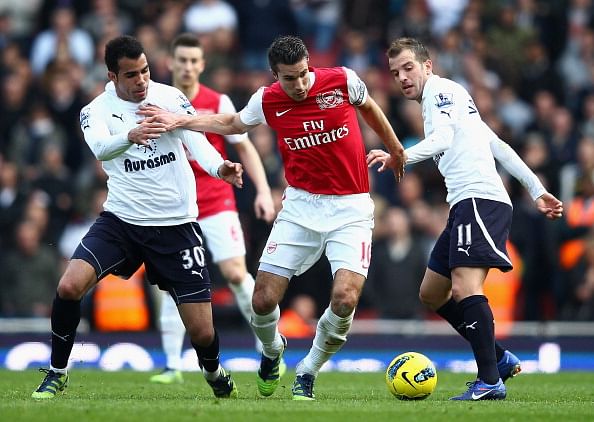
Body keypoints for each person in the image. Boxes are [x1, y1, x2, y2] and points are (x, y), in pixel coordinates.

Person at [139, 35, 406, 400]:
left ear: (309, 64)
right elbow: (233, 124)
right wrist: (180, 121)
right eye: (288, 78)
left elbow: (370, 106)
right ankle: (271, 351)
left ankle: (308, 370)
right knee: (262, 299)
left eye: (301, 75)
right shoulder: (267, 100)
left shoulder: (342, 80)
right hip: (299, 208)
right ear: (274, 75)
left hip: (351, 207)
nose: (296, 85)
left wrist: (395, 149)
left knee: (344, 298)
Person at [31, 35, 244, 400]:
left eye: (145, 70)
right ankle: (57, 372)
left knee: (203, 334)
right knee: (68, 286)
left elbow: (198, 143)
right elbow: (100, 147)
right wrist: (131, 134)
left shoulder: (170, 98)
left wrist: (219, 168)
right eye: (131, 75)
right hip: (122, 221)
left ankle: (213, 370)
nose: (142, 80)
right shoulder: (94, 111)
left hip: (176, 225)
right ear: (112, 76)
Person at [367, 37, 563, 401]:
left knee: (465, 288)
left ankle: (489, 380)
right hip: (465, 204)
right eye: (396, 73)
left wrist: (400, 155)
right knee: (431, 293)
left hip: (478, 200)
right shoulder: (455, 98)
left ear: (428, 66)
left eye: (409, 68)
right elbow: (497, 145)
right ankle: (499, 359)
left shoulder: (439, 92)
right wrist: (537, 191)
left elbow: (442, 139)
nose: (403, 77)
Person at [149, 32, 277, 385]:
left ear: (202, 65)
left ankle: (267, 348)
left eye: (194, 61)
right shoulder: (156, 99)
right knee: (173, 284)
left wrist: (263, 191)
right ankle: (172, 365)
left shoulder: (216, 99)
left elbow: (245, 147)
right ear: (170, 63)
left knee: (237, 273)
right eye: (182, 60)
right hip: (176, 205)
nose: (188, 66)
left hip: (216, 198)